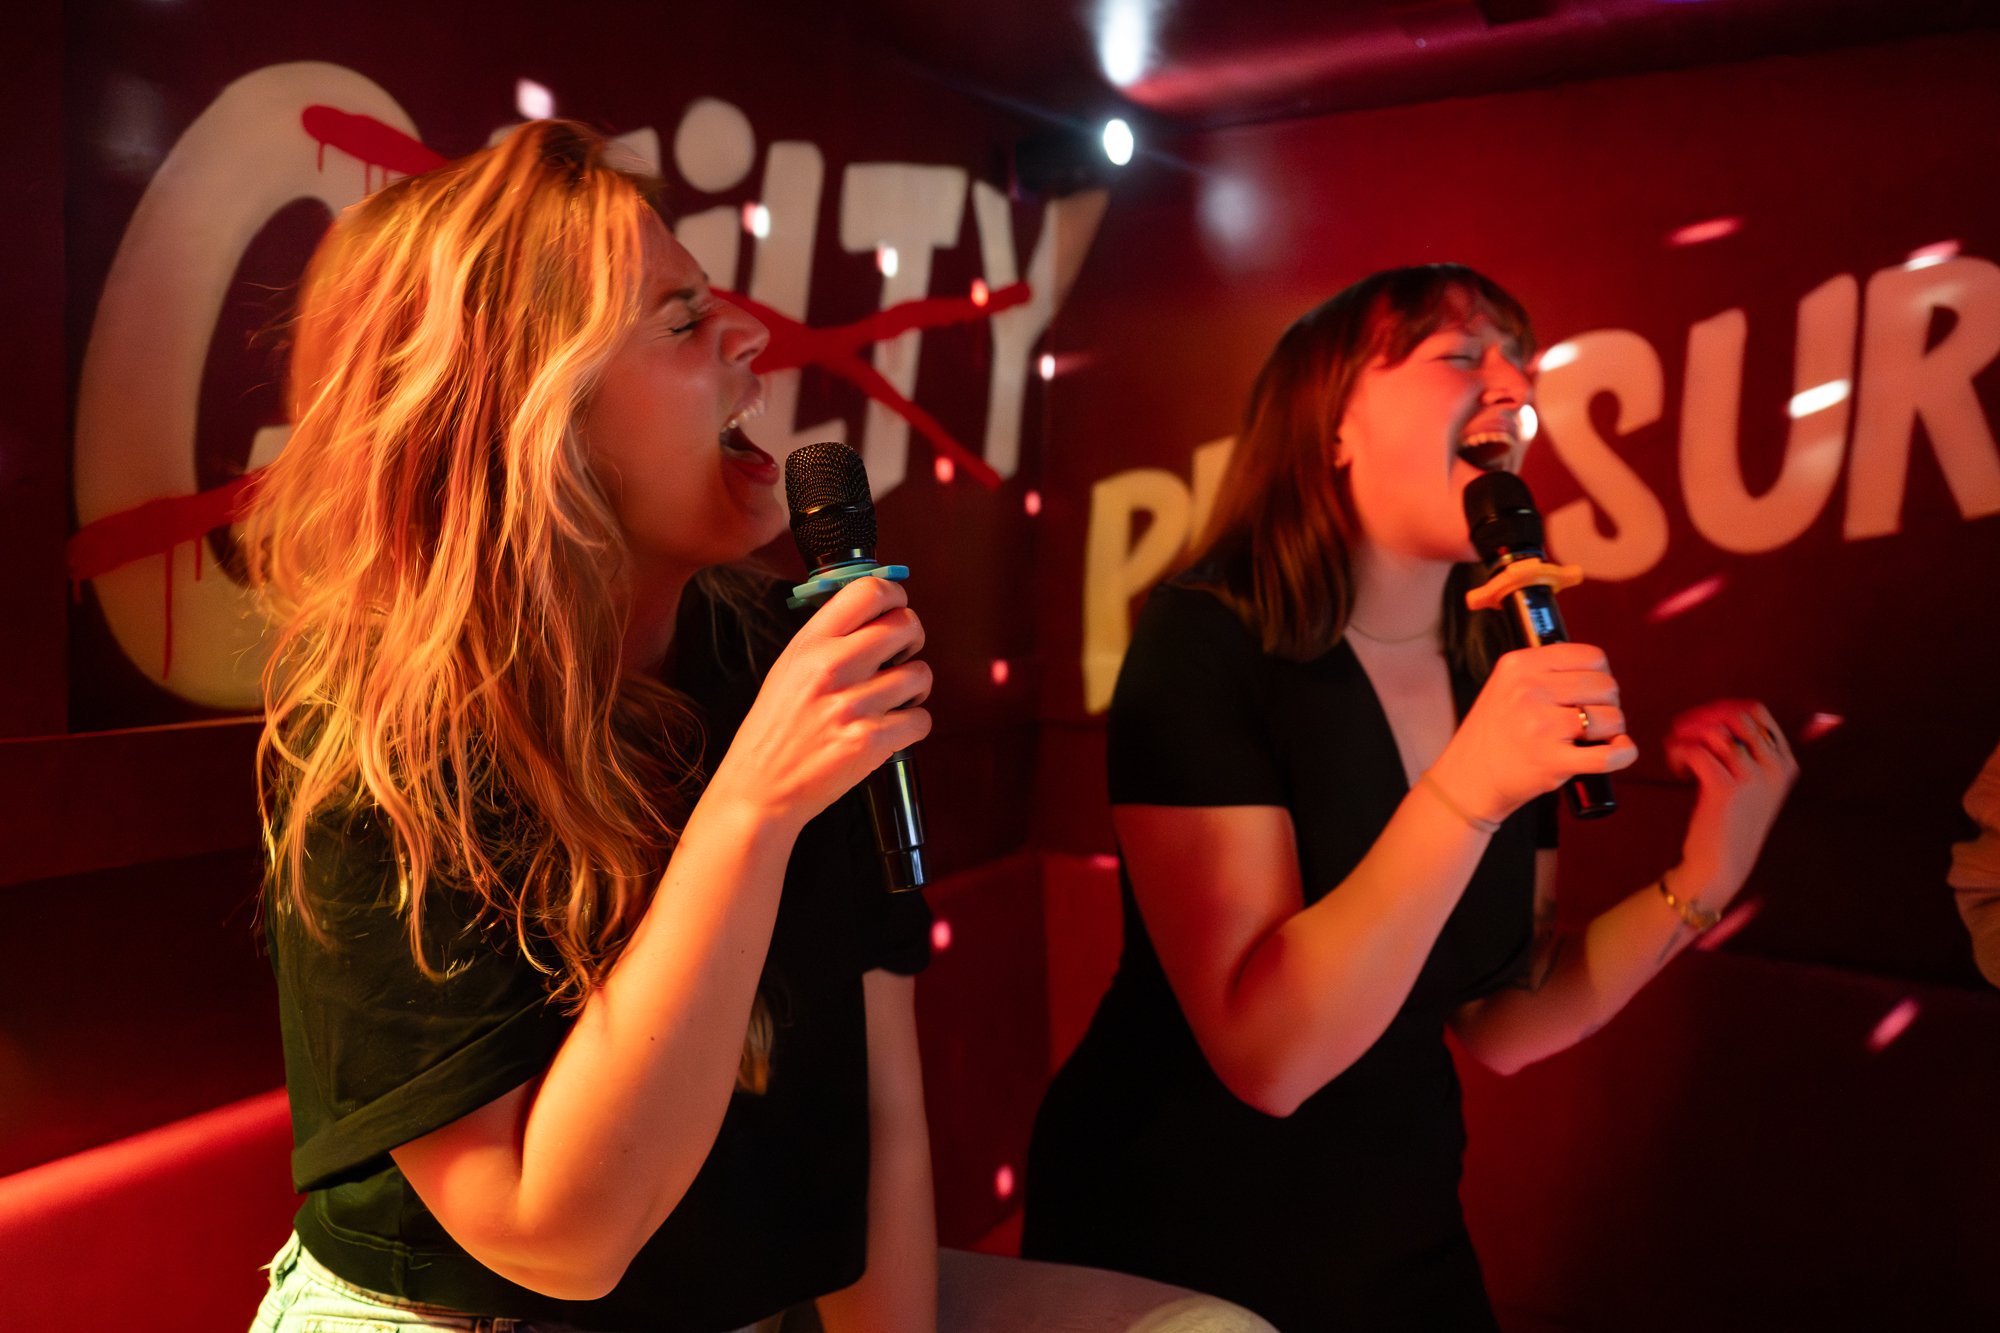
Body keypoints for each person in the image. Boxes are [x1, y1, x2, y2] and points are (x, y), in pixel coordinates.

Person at [242, 120, 938, 1332]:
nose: (747, 337)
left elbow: (875, 1118)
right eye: (679, 322)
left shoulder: (774, 657)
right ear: (530, 420)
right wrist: (752, 808)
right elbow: (553, 1239)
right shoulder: (380, 744)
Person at [1022, 266, 1799, 1330]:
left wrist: (1704, 873)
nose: (1511, 384)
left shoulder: (1495, 650)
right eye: (1457, 355)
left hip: (1397, 1235)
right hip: (1177, 1245)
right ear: (1331, 424)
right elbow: (1268, 1057)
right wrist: (1468, 788)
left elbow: (1504, 1016)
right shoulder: (1204, 638)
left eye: (1517, 360)